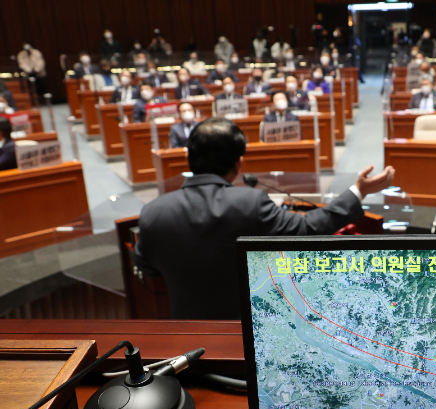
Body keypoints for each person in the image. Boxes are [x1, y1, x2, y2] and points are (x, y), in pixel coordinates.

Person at [132, 117, 395, 320]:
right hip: (246, 331)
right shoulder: (250, 202)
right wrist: (358, 190)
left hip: (189, 341)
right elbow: (307, 227)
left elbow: (147, 268)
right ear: (239, 163)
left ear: (187, 158)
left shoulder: (153, 212)